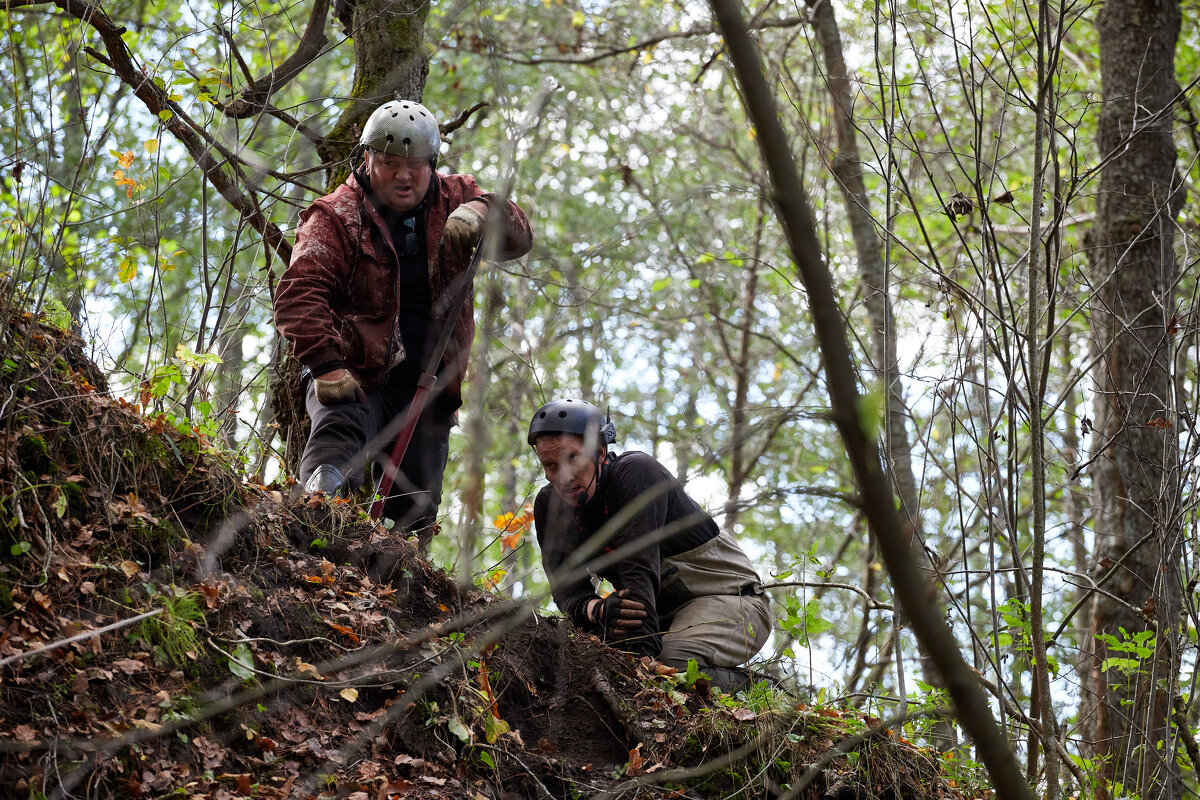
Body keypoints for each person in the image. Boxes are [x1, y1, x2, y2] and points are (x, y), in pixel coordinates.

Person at [275, 99, 533, 545]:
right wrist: (324, 365)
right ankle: (307, 547)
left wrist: (483, 213)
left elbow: (520, 234)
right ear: (367, 159)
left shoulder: (457, 195)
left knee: (415, 509)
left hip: (429, 385)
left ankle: (392, 595)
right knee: (335, 458)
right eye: (390, 163)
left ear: (432, 164)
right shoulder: (335, 216)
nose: (403, 175)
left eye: (415, 165)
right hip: (354, 373)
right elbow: (300, 293)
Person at [527, 398, 772, 691]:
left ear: (600, 452)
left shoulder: (636, 472)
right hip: (661, 612)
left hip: (734, 601)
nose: (563, 476)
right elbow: (566, 587)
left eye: (573, 459)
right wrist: (599, 610)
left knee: (669, 666)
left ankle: (760, 690)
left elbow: (638, 570)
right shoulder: (550, 505)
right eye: (550, 465)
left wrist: (643, 662)